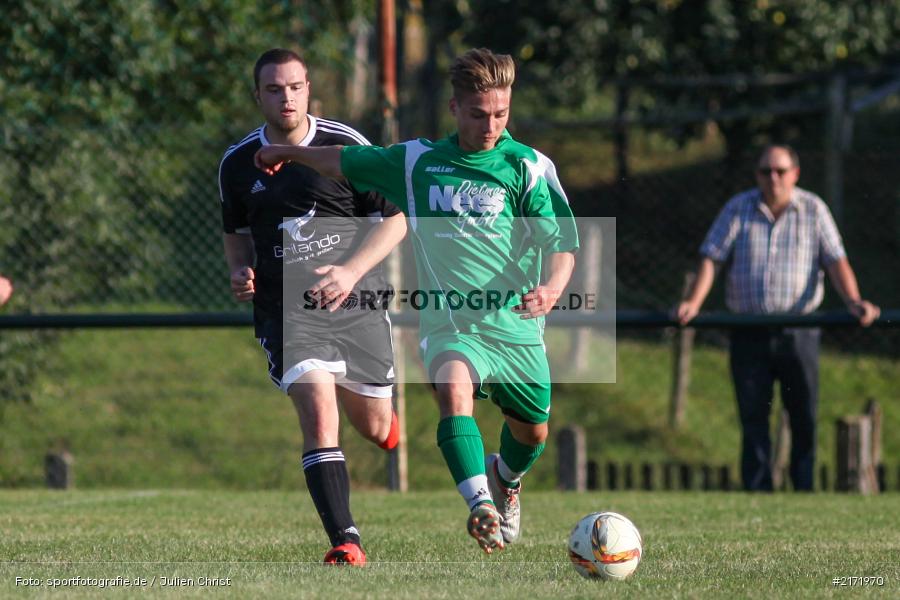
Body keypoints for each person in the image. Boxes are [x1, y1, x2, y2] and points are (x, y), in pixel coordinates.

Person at [254, 48, 578, 554]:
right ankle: (481, 507)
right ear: (454, 107)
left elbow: (562, 245)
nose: (490, 125)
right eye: (478, 113)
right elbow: (343, 161)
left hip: (515, 324)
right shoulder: (418, 162)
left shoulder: (528, 167)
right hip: (451, 323)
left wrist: (554, 288)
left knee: (533, 432)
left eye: (501, 113)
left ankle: (504, 480)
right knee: (453, 393)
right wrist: (287, 153)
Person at [218, 48, 407, 566]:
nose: (286, 97)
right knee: (319, 414)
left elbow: (396, 219)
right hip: (286, 312)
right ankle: (346, 540)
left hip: (357, 305)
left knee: (372, 425)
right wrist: (240, 270)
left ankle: (383, 422)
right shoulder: (236, 164)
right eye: (274, 89)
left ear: (309, 91)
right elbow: (235, 234)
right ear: (258, 96)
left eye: (295, 87)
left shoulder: (344, 146)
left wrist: (348, 273)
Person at [676, 144, 880, 492]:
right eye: (765, 171)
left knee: (803, 417)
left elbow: (835, 260)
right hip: (749, 330)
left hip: (798, 330)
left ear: (795, 174)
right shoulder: (738, 208)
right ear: (756, 174)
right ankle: (757, 492)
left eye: (780, 171)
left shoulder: (813, 209)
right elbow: (712, 257)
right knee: (753, 417)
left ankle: (803, 490)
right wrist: (694, 301)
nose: (773, 178)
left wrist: (854, 300)